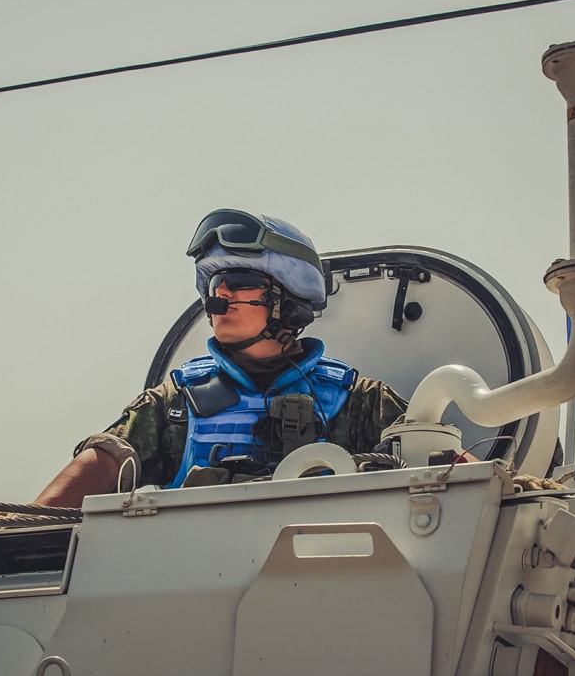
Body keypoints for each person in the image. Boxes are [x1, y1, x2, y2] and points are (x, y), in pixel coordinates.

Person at [34, 209, 408, 509]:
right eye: (215, 285)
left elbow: (455, 487)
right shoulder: (170, 406)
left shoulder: (362, 402)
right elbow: (63, 499)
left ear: (288, 301)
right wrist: (7, 529)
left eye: (241, 282)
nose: (220, 295)